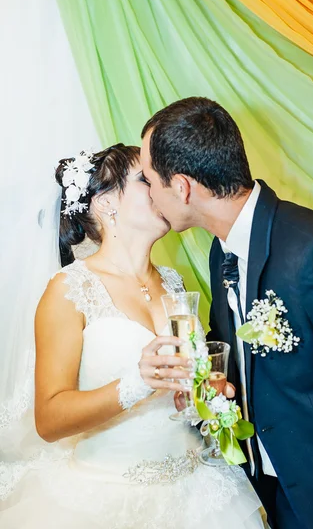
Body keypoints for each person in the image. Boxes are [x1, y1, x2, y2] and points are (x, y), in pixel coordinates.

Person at [140, 97, 313, 529]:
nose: (150, 195)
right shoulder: (223, 250)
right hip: (284, 495)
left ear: (182, 186)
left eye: (150, 181)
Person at [0, 143, 265, 529]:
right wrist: (137, 383)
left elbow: (184, 386)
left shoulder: (173, 283)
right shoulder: (68, 289)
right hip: (104, 499)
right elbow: (49, 419)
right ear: (105, 203)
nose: (163, 188)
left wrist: (205, 390)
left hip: (196, 495)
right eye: (146, 179)